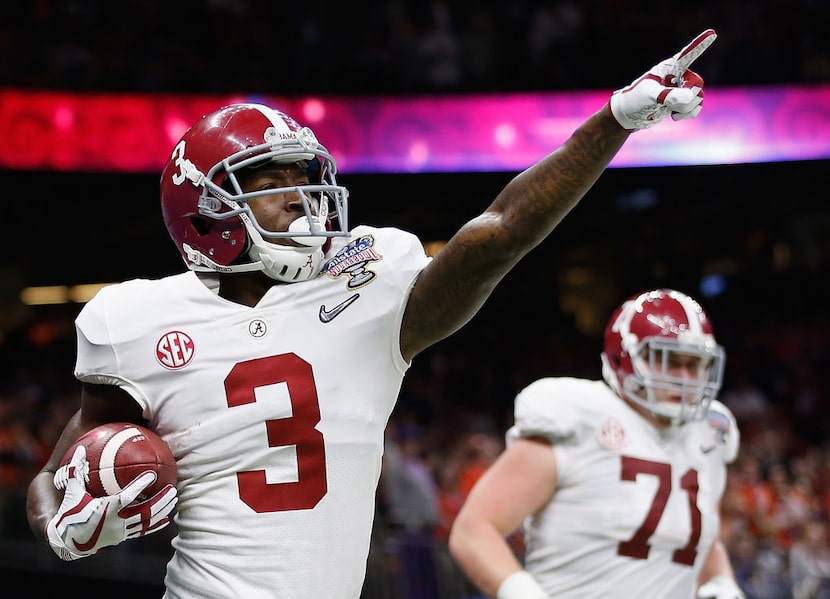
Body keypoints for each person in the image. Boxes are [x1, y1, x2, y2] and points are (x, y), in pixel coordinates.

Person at [27, 29, 719, 599]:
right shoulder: (137, 320)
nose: (304, 201)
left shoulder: (368, 282)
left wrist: (613, 122)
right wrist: (60, 523)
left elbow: (503, 229)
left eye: (307, 180)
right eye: (271, 185)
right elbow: (51, 479)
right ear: (205, 212)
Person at [448, 289, 746, 599]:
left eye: (695, 364)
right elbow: (474, 530)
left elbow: (692, 537)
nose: (685, 378)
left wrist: (722, 582)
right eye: (670, 361)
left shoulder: (709, 434)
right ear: (626, 356)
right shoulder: (579, 418)